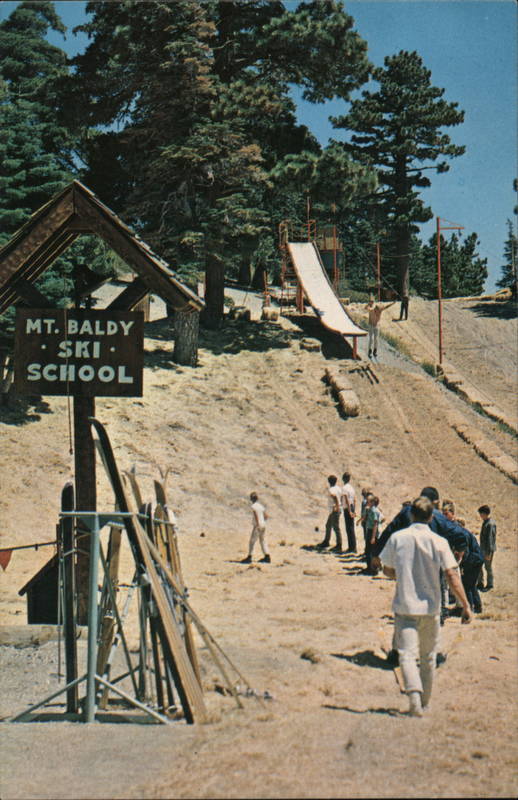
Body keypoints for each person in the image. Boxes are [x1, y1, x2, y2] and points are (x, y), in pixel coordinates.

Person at [380, 497, 472, 717]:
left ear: (411, 514)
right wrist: (465, 605)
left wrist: (400, 573)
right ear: (432, 516)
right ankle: (425, 701)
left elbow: (387, 569)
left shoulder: (397, 538)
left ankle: (413, 698)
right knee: (428, 656)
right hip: (431, 608)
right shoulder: (438, 541)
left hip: (405, 606)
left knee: (406, 655)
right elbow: (451, 574)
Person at [372, 486, 469, 665]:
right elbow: (460, 535)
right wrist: (460, 551)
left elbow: (389, 531)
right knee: (434, 609)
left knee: (403, 609)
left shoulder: (406, 513)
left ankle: (396, 652)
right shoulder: (438, 517)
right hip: (433, 567)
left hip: (407, 568)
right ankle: (434, 653)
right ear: (434, 503)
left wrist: (375, 553)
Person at [442, 502, 484, 614]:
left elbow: (465, 549)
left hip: (473, 559)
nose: (444, 516)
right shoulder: (452, 527)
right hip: (474, 558)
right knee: (470, 584)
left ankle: (468, 609)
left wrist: (460, 563)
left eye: (446, 514)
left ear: (452, 514)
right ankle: (477, 608)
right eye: (443, 514)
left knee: (466, 584)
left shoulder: (456, 529)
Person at [241, 492, 270, 564]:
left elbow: (256, 515)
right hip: (263, 525)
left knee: (252, 541)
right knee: (262, 540)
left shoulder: (253, 506)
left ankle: (250, 556)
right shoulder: (260, 506)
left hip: (257, 526)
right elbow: (266, 516)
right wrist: (262, 521)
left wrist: (257, 524)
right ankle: (267, 556)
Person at [317, 475, 343, 552]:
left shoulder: (331, 490)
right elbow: (341, 496)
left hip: (334, 509)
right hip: (335, 509)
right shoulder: (338, 488)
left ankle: (339, 545)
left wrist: (337, 506)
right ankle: (326, 541)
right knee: (328, 525)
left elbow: (334, 497)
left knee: (336, 527)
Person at [477, 505, 497, 591]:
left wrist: (488, 553)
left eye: (481, 514)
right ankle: (480, 583)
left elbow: (490, 539)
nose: (480, 516)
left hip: (487, 550)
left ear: (484, 514)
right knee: (479, 566)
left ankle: (490, 584)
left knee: (488, 567)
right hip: (483, 549)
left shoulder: (490, 524)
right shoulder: (486, 522)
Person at [365, 494, 382, 574]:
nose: (366, 503)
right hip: (370, 530)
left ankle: (372, 569)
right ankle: (371, 568)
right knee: (369, 550)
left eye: (368, 501)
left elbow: (375, 524)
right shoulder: (371, 509)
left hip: (372, 532)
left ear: (372, 502)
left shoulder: (374, 511)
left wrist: (373, 537)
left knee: (370, 551)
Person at [341, 472, 357, 553]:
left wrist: (350, 511)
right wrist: (354, 510)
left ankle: (352, 548)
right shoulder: (351, 488)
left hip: (347, 508)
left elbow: (346, 499)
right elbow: (354, 499)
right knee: (352, 528)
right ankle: (353, 547)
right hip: (352, 507)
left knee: (349, 528)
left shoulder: (344, 488)